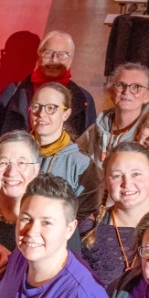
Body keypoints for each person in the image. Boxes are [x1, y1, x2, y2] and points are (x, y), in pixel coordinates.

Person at [0, 31, 97, 179]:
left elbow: (89, 150)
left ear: (71, 59)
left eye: (62, 55)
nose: (54, 60)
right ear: (39, 55)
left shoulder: (84, 99)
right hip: (13, 176)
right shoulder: (13, 92)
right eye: (48, 53)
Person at [78, 140, 149, 290]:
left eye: (136, 174)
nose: (127, 183)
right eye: (117, 175)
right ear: (106, 181)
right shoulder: (86, 230)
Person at [30, 82, 100, 219]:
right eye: (36, 106)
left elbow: (85, 216)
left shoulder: (80, 163)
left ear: (66, 114)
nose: (41, 114)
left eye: (51, 108)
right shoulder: (15, 151)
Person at [79, 62, 149, 168]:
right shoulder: (94, 132)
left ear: (148, 95)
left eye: (136, 87)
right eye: (121, 85)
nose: (127, 91)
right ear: (111, 91)